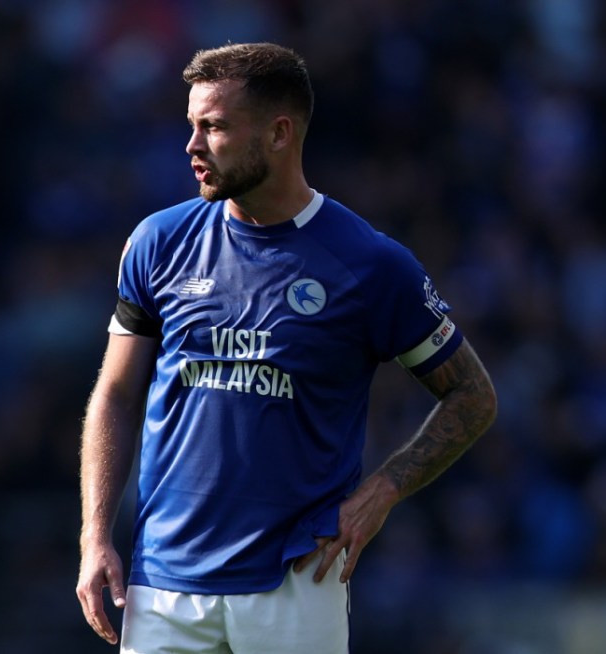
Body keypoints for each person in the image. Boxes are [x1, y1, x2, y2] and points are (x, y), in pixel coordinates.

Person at [75, 42, 497, 653]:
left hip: (296, 581)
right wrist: (95, 535)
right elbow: (115, 393)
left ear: (278, 133)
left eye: (214, 127)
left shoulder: (370, 266)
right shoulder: (157, 243)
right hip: (162, 586)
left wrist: (385, 490)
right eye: (190, 125)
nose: (191, 146)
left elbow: (472, 395)